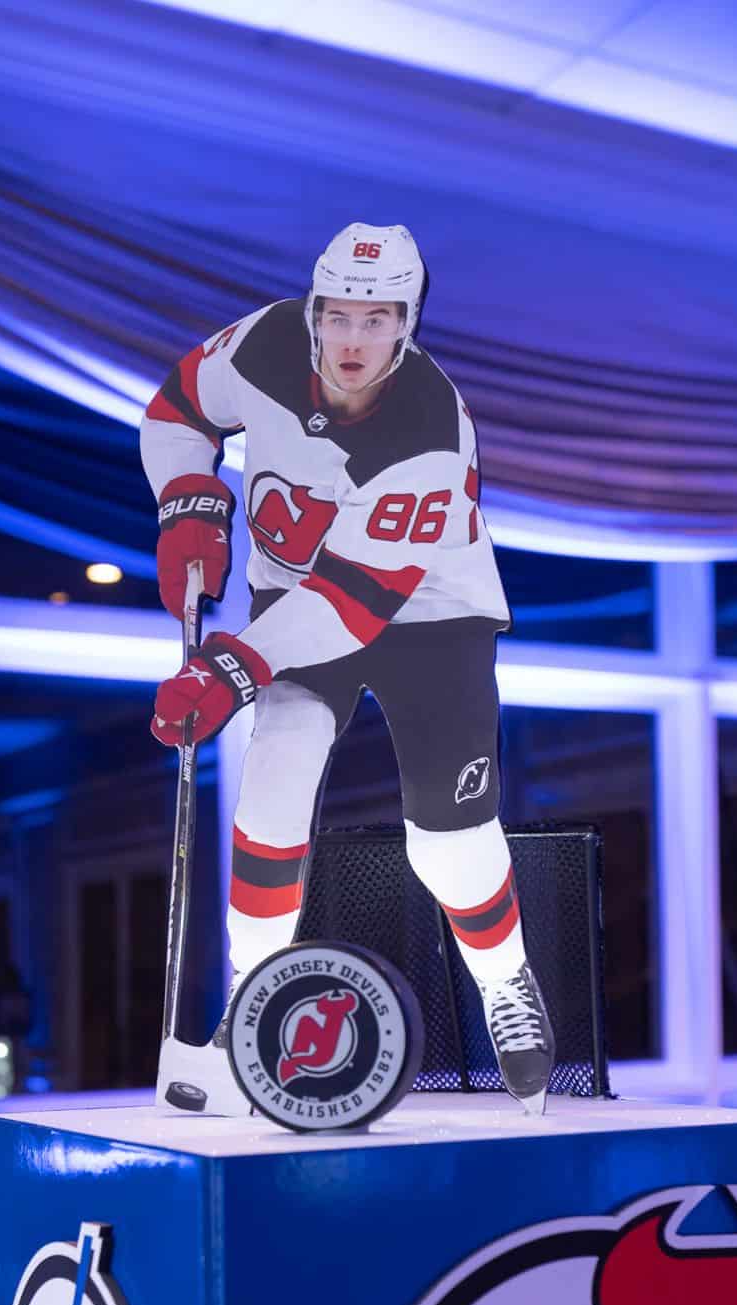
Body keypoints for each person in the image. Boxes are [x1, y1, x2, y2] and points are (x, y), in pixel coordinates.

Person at [143, 222, 554, 1113]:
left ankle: (504, 982)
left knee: (448, 845)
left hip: (427, 617)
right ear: (312, 308)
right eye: (336, 314)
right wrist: (186, 499)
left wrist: (229, 667)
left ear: (407, 324)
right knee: (270, 796)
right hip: (294, 599)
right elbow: (178, 409)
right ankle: (252, 1004)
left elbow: (356, 603)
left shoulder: (430, 433)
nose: (351, 340)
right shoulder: (262, 340)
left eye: (376, 319)